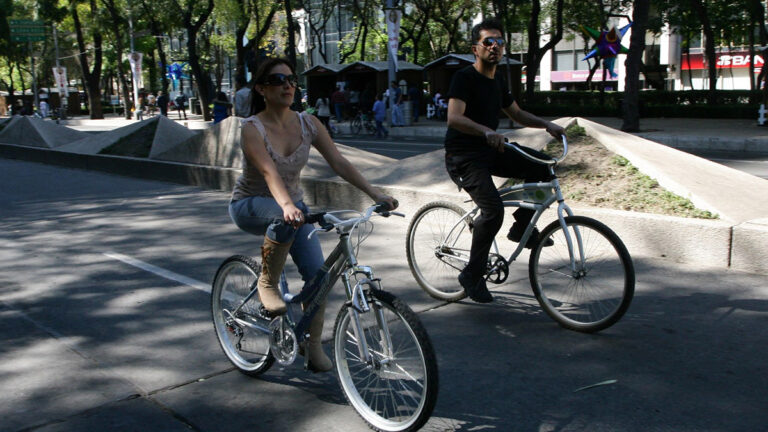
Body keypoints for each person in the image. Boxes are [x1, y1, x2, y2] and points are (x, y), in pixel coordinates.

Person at [228, 57, 397, 372]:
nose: (288, 85)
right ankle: (268, 282)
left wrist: (376, 194)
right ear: (262, 88)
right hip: (251, 204)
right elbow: (268, 172)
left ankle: (312, 344)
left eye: (292, 79)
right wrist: (287, 205)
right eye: (279, 80)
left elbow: (339, 162)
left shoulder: (308, 123)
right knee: (283, 219)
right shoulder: (252, 128)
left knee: (318, 278)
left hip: (294, 211)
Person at [444, 17, 565, 303]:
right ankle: (471, 275)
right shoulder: (465, 77)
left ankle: (521, 226)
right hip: (464, 156)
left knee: (543, 166)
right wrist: (485, 130)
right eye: (489, 42)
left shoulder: (498, 79)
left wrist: (547, 124)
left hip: (490, 150)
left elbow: (518, 114)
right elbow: (454, 117)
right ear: (476, 48)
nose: (495, 47)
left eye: (500, 42)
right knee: (493, 210)